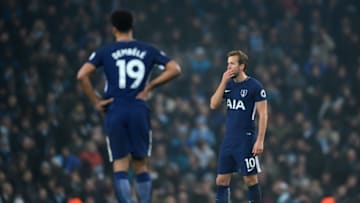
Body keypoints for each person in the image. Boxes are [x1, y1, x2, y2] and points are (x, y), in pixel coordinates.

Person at [76, 9, 181, 203]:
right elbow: (175, 69)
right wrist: (150, 86)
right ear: (132, 26)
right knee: (141, 165)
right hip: (139, 109)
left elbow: (82, 75)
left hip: (115, 109)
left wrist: (96, 101)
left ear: (113, 29)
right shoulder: (148, 49)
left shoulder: (105, 51)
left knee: (120, 164)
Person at [210, 50, 268, 203]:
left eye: (232, 64)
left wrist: (260, 140)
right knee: (221, 180)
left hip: (246, 139)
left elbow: (263, 114)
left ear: (242, 66)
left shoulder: (254, 86)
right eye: (228, 63)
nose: (228, 67)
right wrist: (222, 82)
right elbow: (213, 104)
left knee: (250, 179)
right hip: (229, 139)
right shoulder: (227, 85)